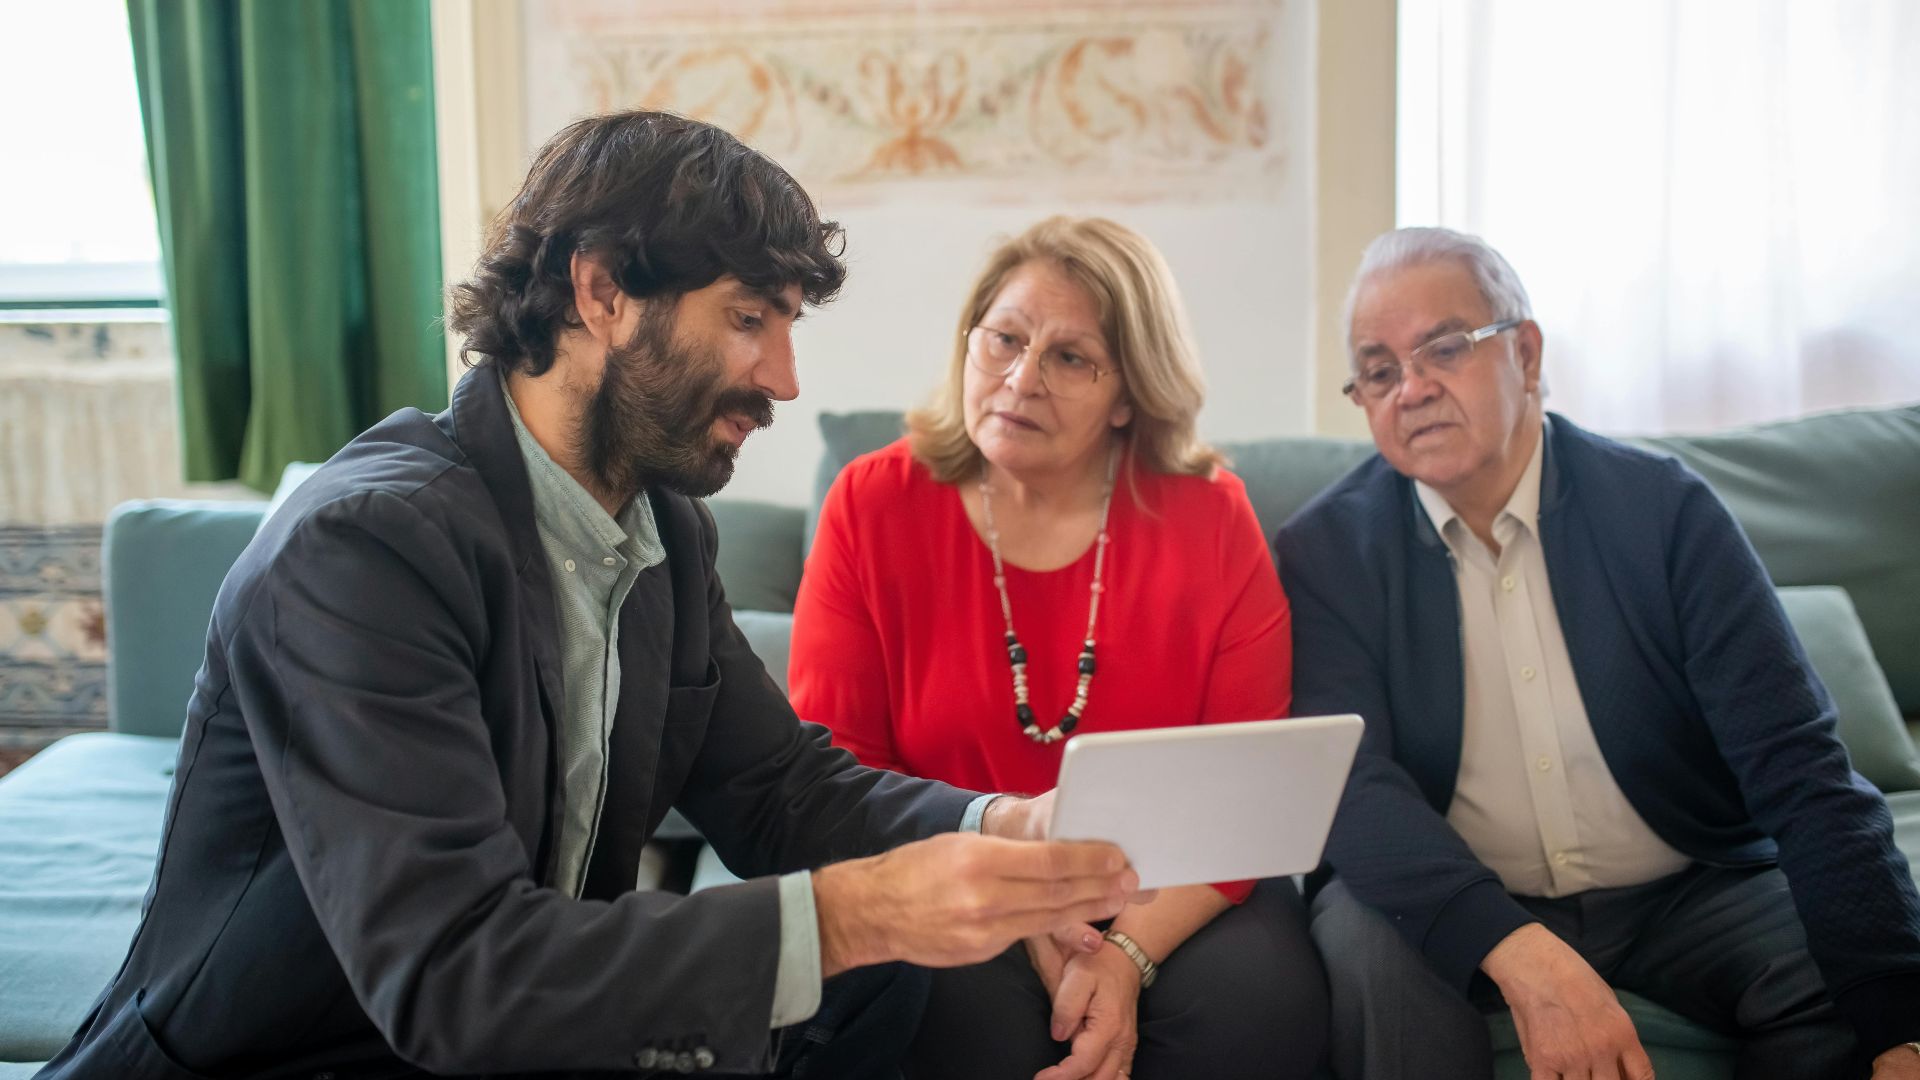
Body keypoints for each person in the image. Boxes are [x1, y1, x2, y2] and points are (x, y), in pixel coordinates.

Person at [34, 111, 1149, 1080]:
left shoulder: (661, 525)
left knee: (877, 975)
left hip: (530, 1039)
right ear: (603, 291)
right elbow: (450, 976)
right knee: (856, 933)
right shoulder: (365, 550)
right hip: (320, 1057)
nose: (785, 378)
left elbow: (777, 789)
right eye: (751, 318)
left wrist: (1000, 827)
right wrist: (860, 910)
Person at [1278, 226, 1920, 1080]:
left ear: (1526, 353)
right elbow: (1352, 788)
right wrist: (1513, 945)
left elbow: (1800, 768)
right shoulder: (1326, 553)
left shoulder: (1666, 513)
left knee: (1827, 974)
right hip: (1457, 891)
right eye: (1381, 370)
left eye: (1443, 347)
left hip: (1688, 886)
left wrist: (1898, 1030)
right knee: (1366, 946)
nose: (1413, 389)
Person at [789, 216, 1330, 1080]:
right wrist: (1024, 906)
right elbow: (838, 769)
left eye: (1070, 357)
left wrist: (1121, 958)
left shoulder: (1210, 516)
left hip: (1176, 886)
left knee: (1258, 1016)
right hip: (948, 873)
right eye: (1003, 339)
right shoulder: (872, 504)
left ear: (1127, 393)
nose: (1021, 378)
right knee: (971, 1033)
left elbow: (1247, 792)